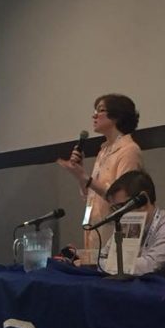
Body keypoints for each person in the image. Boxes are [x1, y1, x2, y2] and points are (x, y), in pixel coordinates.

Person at [58, 94, 143, 250]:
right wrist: (80, 175)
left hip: (116, 236)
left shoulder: (129, 150)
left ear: (117, 116)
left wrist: (85, 177)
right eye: (95, 111)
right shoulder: (103, 151)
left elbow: (123, 199)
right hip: (94, 230)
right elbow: (89, 195)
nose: (94, 115)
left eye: (101, 110)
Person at [105, 170, 165, 275]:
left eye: (121, 207)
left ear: (143, 201)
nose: (118, 214)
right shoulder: (126, 225)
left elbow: (150, 266)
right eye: (115, 209)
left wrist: (109, 265)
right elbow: (103, 256)